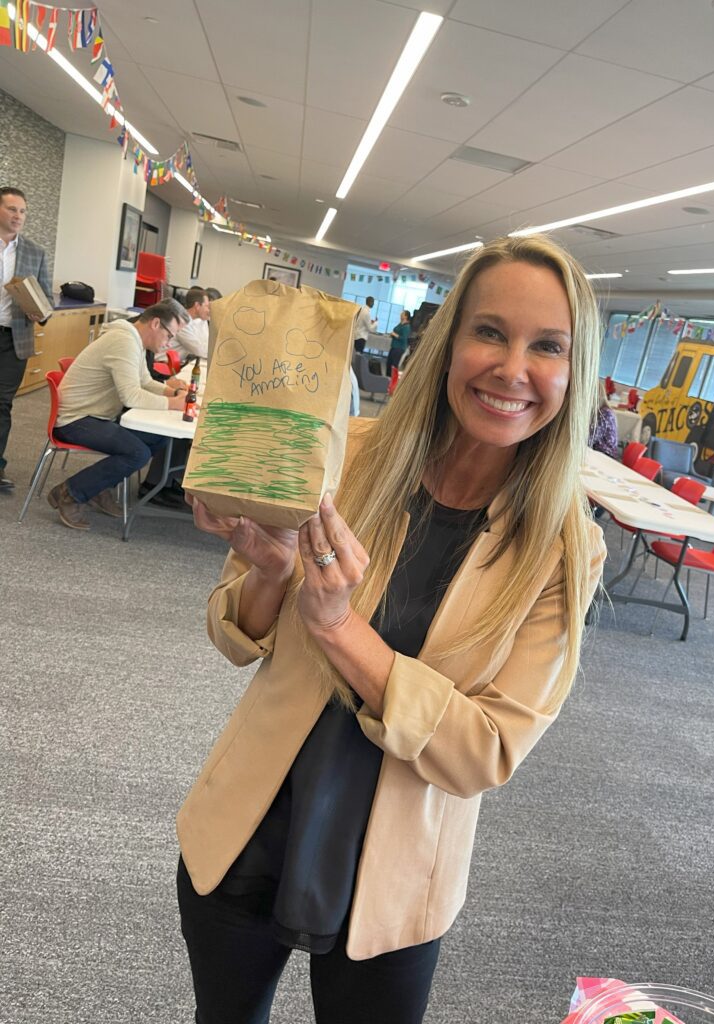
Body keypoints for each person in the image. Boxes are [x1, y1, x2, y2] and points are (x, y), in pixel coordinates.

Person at [177, 234, 606, 1024]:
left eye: (547, 346)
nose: (513, 368)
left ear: (575, 375)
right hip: (251, 822)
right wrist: (268, 572)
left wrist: (342, 630)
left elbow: (485, 749)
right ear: (448, 344)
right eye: (489, 332)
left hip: (396, 874)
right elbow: (234, 632)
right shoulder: (347, 454)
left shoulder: (563, 549)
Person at [47, 298, 190, 530]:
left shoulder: (134, 341)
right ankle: (70, 493)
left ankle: (99, 487)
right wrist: (173, 404)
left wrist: (172, 392)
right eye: (170, 336)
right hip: (75, 419)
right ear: (155, 323)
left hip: (96, 416)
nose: (169, 344)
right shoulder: (123, 341)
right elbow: (131, 397)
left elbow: (144, 381)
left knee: (158, 437)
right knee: (138, 453)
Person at [0, 186, 54, 491]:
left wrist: (41, 312)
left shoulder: (35, 252)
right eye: (11, 209)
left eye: (22, 211)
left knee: (2, 404)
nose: (18, 216)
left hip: (13, 338)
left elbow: (46, 296)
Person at [167, 286, 210, 362]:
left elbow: (207, 342)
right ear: (197, 306)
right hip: (165, 366)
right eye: (207, 306)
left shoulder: (200, 321)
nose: (209, 310)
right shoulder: (182, 322)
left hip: (178, 363)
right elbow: (200, 351)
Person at [589, 380, 619, 458]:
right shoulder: (599, 410)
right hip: (596, 452)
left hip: (604, 456)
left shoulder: (605, 413)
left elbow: (590, 439)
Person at [387, 308, 411, 376]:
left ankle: (392, 380)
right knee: (389, 363)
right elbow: (396, 331)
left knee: (394, 365)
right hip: (394, 346)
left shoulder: (407, 326)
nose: (400, 315)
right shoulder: (400, 324)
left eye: (402, 314)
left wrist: (394, 334)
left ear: (406, 316)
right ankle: (387, 378)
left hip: (399, 348)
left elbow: (403, 338)